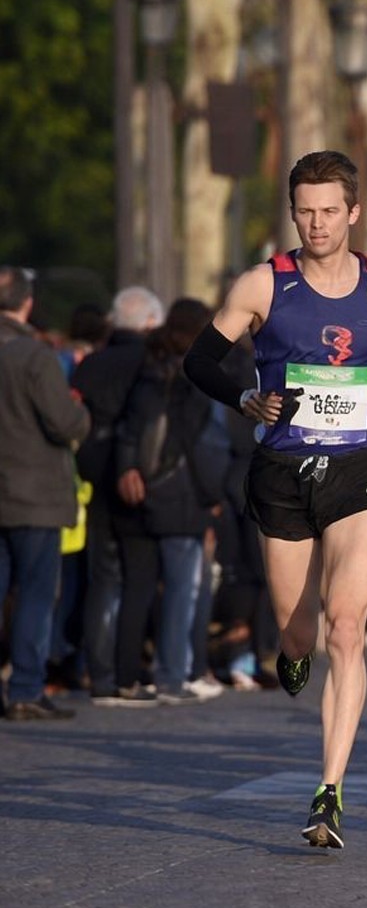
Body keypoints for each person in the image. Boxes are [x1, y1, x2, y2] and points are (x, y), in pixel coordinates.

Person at [182, 150, 367, 847]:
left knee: (346, 625)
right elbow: (198, 360)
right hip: (281, 471)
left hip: (361, 469)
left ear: (353, 213)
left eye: (329, 211)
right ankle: (291, 647)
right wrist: (245, 396)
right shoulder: (262, 286)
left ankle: (329, 791)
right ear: (293, 213)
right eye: (305, 211)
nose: (317, 223)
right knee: (299, 629)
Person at [113, 297, 230, 704]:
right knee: (185, 588)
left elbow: (130, 430)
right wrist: (213, 493)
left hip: (146, 489)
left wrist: (129, 469)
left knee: (138, 587)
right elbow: (208, 445)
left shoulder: (149, 371)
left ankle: (125, 672)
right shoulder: (197, 379)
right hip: (185, 494)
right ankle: (173, 673)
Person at [0, 265, 90, 720]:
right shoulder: (33, 356)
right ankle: (25, 689)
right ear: (27, 303)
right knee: (36, 594)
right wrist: (81, 415)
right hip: (33, 494)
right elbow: (65, 423)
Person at [72, 286, 164, 705]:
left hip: (94, 476)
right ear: (149, 322)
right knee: (138, 579)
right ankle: (127, 674)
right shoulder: (151, 363)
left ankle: (99, 675)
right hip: (137, 479)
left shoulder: (91, 363)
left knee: (102, 580)